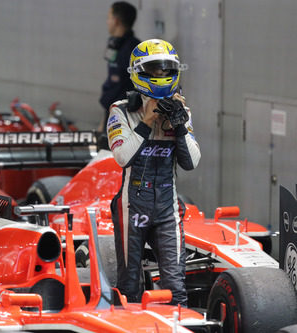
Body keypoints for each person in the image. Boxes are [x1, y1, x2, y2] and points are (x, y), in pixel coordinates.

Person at [108, 39, 201, 306]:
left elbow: (191, 163)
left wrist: (180, 127)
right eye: (154, 70)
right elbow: (123, 157)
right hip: (131, 209)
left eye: (166, 70)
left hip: (167, 210)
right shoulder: (121, 111)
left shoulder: (182, 111)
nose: (161, 76)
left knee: (175, 289)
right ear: (139, 71)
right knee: (128, 289)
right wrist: (147, 122)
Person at [99, 1, 140, 137]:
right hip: (110, 113)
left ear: (116, 20)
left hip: (125, 119)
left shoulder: (133, 49)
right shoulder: (114, 44)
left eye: (108, 18)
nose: (107, 22)